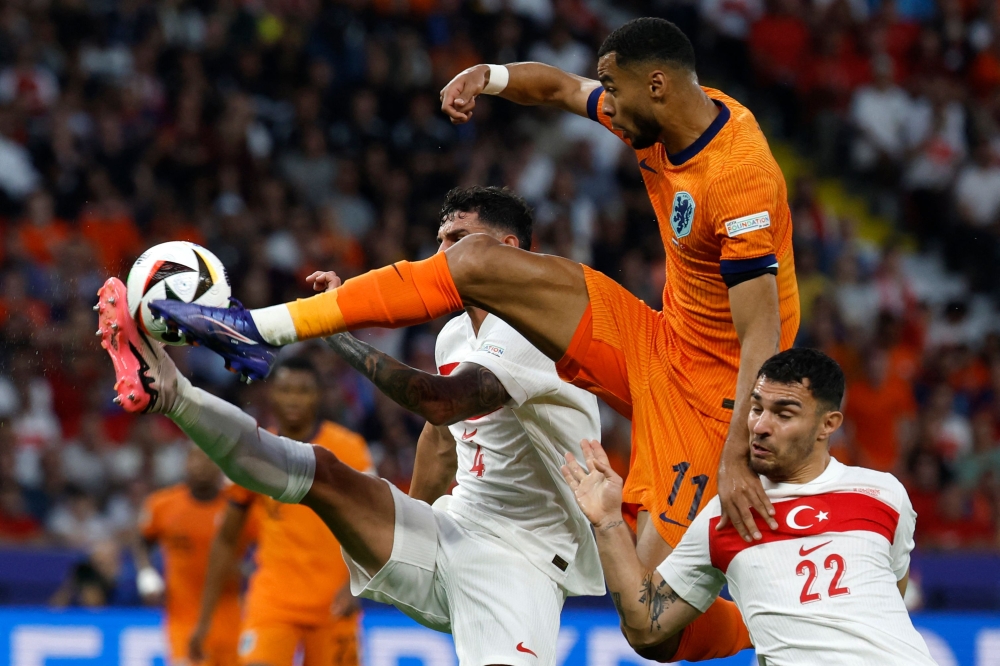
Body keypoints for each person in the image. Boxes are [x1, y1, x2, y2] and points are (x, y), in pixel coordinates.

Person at [151, 15, 796, 564]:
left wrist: (738, 453)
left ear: (656, 85)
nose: (603, 104)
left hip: (718, 394)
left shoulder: (740, 178)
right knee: (474, 258)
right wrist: (488, 75)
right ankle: (258, 327)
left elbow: (760, 333)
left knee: (653, 617)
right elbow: (561, 87)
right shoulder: (656, 111)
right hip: (656, 341)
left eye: (613, 91)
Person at [322, 186, 604, 662]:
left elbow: (442, 403)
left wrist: (342, 337)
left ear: (507, 249)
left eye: (457, 238)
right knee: (320, 475)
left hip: (526, 551)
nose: (440, 255)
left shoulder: (537, 326)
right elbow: (440, 440)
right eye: (438, 240)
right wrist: (407, 524)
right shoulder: (454, 334)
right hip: (461, 522)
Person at [560, 348, 935, 665]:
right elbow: (645, 627)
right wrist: (608, 521)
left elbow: (891, 595)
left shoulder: (884, 495)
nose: (759, 426)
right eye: (756, 409)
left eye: (783, 414)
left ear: (828, 424)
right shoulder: (724, 515)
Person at [190, 357, 373, 666]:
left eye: (303, 391)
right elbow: (226, 540)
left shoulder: (348, 449)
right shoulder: (255, 449)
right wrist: (204, 619)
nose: (293, 399)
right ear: (271, 393)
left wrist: (359, 586)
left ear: (318, 395)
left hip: (334, 603)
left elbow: (374, 523)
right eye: (286, 390)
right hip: (272, 602)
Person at [134, 446, 246, 666]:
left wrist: (249, 568)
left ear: (220, 465)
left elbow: (266, 543)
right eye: (196, 458)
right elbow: (142, 542)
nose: (202, 465)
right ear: (186, 462)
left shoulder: (238, 508)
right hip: (183, 618)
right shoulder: (162, 505)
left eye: (209, 458)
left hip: (230, 619)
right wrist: (146, 573)